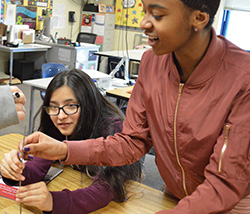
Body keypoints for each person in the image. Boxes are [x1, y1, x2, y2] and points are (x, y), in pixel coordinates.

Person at [9, 0, 250, 213]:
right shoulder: (151, 63)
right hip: (174, 195)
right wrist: (63, 150)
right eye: (144, 11)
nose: (144, 23)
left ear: (199, 17)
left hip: (230, 204)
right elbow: (132, 142)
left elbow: (225, 183)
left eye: (157, 14)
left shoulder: (242, 77)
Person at [1, 69, 142, 213]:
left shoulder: (112, 128)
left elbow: (107, 188)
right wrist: (14, 171)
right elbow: (37, 167)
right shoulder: (58, 124)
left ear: (88, 104)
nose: (61, 115)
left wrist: (54, 202)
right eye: (54, 106)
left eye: (71, 105)